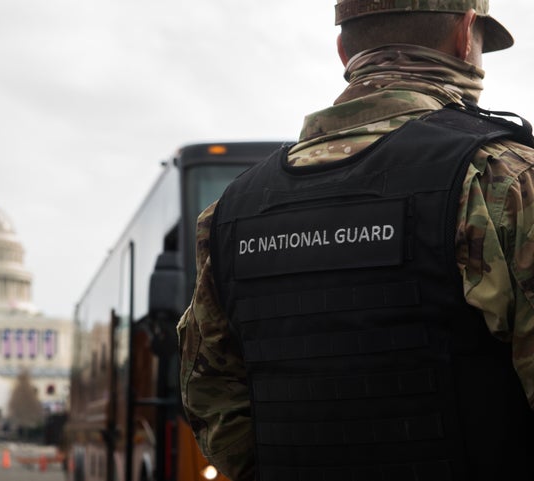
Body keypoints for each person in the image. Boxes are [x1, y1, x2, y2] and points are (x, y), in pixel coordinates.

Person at [177, 2, 534, 480]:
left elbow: (209, 394)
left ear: (343, 49)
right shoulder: (503, 179)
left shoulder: (229, 212)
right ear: (466, 36)